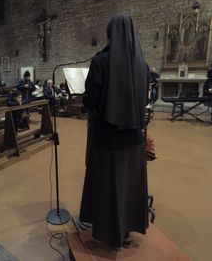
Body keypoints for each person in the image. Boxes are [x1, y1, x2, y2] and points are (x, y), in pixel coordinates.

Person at [79, 15, 150, 250]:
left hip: (107, 139)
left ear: (110, 35)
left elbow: (91, 101)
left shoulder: (101, 61)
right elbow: (145, 100)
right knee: (128, 187)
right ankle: (126, 232)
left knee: (108, 187)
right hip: (134, 140)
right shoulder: (143, 66)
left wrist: (86, 100)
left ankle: (111, 235)